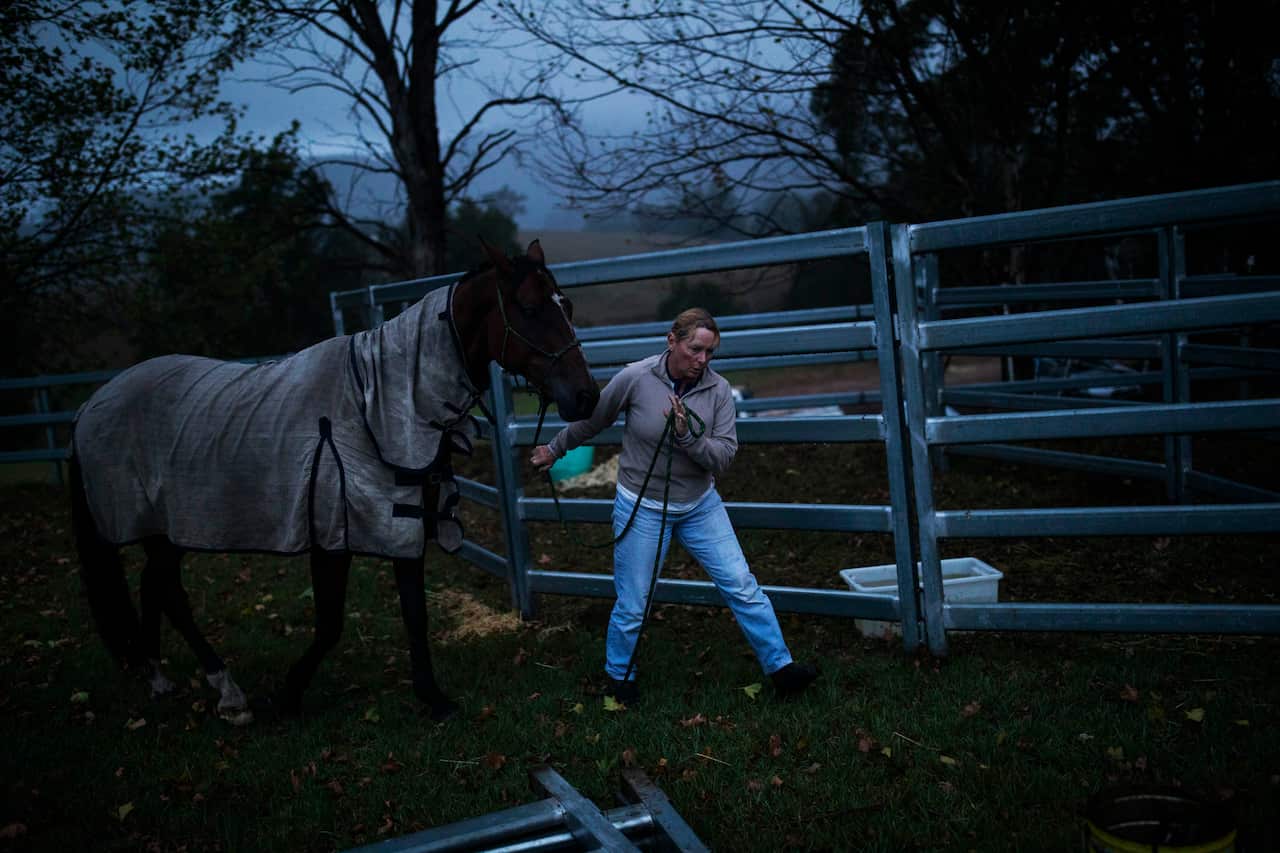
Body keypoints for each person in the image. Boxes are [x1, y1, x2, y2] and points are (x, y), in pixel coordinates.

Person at [530, 308, 819, 703]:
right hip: (642, 505)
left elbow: (723, 457)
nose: (702, 360)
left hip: (700, 505)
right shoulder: (636, 377)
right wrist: (554, 448)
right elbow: (594, 421)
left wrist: (687, 437)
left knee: (742, 585)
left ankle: (782, 669)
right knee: (634, 601)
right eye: (695, 349)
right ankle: (619, 678)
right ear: (672, 341)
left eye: (710, 353)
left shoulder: (718, 390)